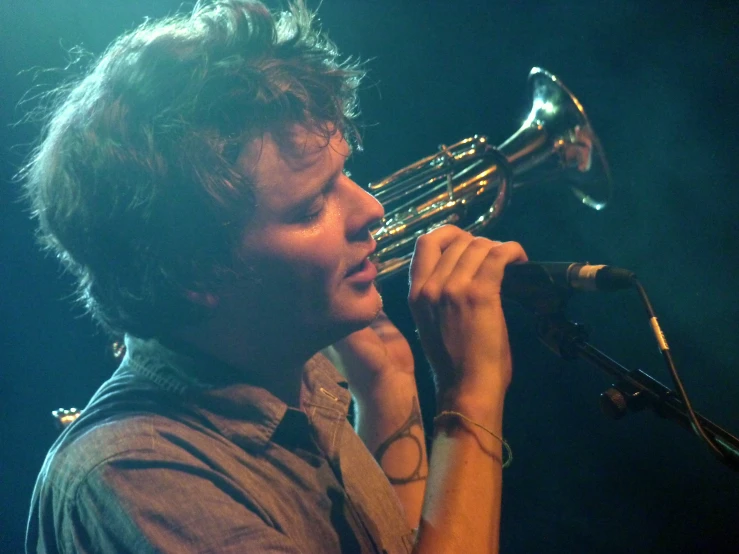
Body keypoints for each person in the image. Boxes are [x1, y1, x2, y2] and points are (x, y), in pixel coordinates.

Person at [23, 1, 527, 552]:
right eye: (311, 208)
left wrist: (388, 391)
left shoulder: (300, 379)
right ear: (198, 271)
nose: (370, 210)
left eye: (345, 174)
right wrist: (469, 396)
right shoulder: (138, 474)